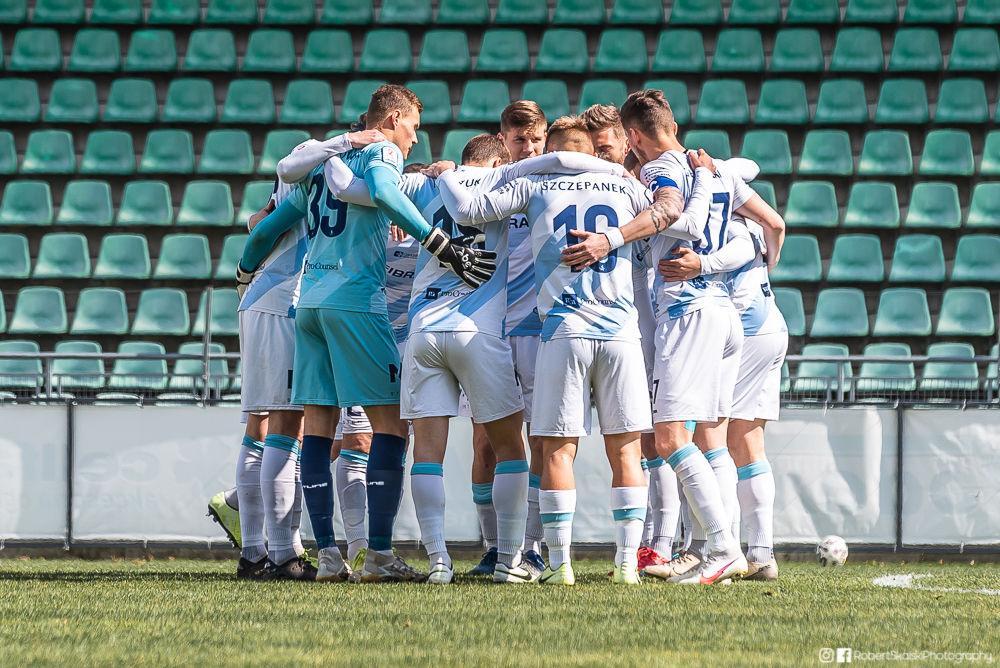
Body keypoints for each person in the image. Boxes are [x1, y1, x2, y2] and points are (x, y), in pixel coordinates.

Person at [241, 84, 497, 583]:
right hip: (355, 300)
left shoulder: (322, 165)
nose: (413, 142)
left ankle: (330, 557)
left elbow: (274, 221)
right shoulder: (380, 150)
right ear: (393, 118)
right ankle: (378, 555)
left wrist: (245, 268)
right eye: (413, 129)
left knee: (317, 426)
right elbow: (382, 190)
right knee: (391, 425)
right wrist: (439, 242)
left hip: (308, 301)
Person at [436, 116, 698, 585]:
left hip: (561, 328)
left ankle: (559, 564)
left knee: (556, 449)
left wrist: (448, 174)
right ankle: (624, 567)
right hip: (620, 333)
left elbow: (468, 210)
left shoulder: (537, 184)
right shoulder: (625, 187)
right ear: (591, 152)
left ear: (550, 151)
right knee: (625, 451)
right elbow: (671, 209)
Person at [561, 89, 783, 584]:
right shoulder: (713, 165)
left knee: (668, 436)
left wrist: (616, 237)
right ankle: (723, 549)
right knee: (712, 440)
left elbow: (685, 220)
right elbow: (766, 222)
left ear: (633, 136)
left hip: (689, 310)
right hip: (725, 309)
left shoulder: (664, 170)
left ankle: (721, 547)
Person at [659, 214, 786, 581]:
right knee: (747, 443)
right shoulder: (746, 225)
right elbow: (776, 226)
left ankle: (714, 550)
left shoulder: (715, 223)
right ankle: (761, 554)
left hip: (742, 326)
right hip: (770, 323)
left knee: (707, 438)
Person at [207, 179, 311, 580]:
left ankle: (260, 549)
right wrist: (243, 272)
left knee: (269, 422)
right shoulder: (322, 170)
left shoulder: (305, 168)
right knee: (287, 421)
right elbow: (264, 226)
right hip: (281, 302)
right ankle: (279, 553)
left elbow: (260, 218)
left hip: (272, 301)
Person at [467, 101, 551, 577]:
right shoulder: (488, 184)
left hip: (539, 331)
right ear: (502, 140)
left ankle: (535, 547)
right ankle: (495, 546)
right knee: (485, 443)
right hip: (491, 328)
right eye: (520, 140)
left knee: (541, 439)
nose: (530, 147)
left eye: (536, 139)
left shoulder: (551, 184)